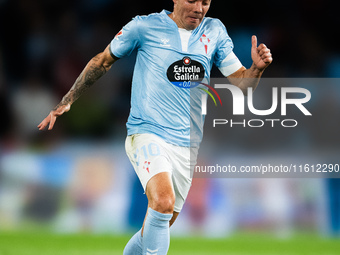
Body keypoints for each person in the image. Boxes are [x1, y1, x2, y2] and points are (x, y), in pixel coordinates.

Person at [38, 0, 272, 254]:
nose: (199, 8)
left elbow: (241, 83)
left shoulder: (214, 31)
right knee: (162, 202)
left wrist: (256, 71)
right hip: (147, 132)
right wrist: (68, 99)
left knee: (157, 226)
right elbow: (103, 60)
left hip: (187, 144)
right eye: (192, 0)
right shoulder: (145, 26)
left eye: (205, 2)